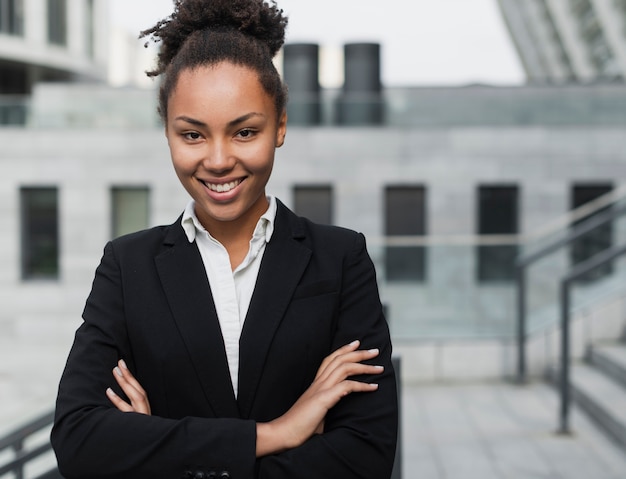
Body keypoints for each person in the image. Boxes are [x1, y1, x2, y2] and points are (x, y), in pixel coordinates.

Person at [51, 0, 398, 477]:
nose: (217, 160)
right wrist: (279, 432)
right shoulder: (127, 266)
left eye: (244, 132)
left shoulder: (340, 260)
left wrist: (161, 452)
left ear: (279, 126)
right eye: (192, 135)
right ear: (168, 133)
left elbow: (364, 455)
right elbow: (78, 441)